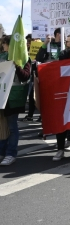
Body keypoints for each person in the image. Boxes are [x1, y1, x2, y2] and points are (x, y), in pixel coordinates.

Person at [0, 36, 31, 166]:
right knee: (2, 127)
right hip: (2, 97)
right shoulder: (1, 57)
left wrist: (16, 65)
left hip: (14, 99)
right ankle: (2, 152)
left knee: (12, 127)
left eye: (4, 44)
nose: (3, 46)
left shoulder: (24, 59)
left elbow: (26, 76)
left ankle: (10, 153)